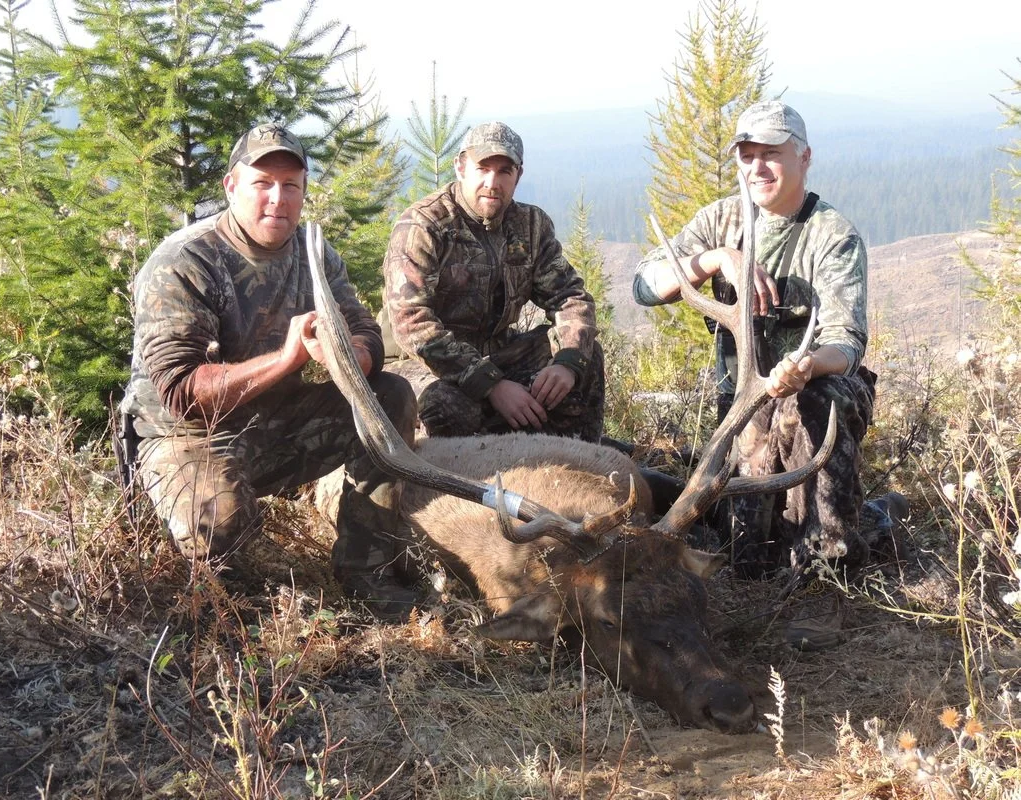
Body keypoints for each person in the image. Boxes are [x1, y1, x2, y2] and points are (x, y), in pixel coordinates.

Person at [119, 123, 418, 617]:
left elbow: (364, 327)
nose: (278, 198)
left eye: (291, 185)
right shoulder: (184, 260)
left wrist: (352, 355)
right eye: (262, 183)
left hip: (274, 420)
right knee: (227, 551)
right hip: (185, 434)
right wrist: (288, 358)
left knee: (390, 396)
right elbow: (182, 390)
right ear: (232, 187)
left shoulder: (313, 252)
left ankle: (367, 571)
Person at [633, 100, 877, 588]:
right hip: (741, 411)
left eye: (771, 154)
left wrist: (808, 366)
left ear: (804, 158)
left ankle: (829, 577)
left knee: (810, 402)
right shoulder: (721, 221)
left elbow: (847, 344)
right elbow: (644, 286)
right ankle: (874, 517)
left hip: (813, 394)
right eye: (747, 155)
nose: (757, 167)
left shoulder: (832, 236)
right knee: (747, 558)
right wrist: (717, 260)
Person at [382, 121, 604, 442]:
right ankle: (478, 477)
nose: (492, 182)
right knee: (443, 408)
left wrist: (567, 364)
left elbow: (570, 297)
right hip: (422, 366)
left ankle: (573, 459)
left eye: (504, 171)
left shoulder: (529, 225)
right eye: (482, 168)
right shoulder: (424, 225)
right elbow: (411, 324)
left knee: (586, 355)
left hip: (500, 356)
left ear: (518, 176)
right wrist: (491, 384)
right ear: (460, 167)